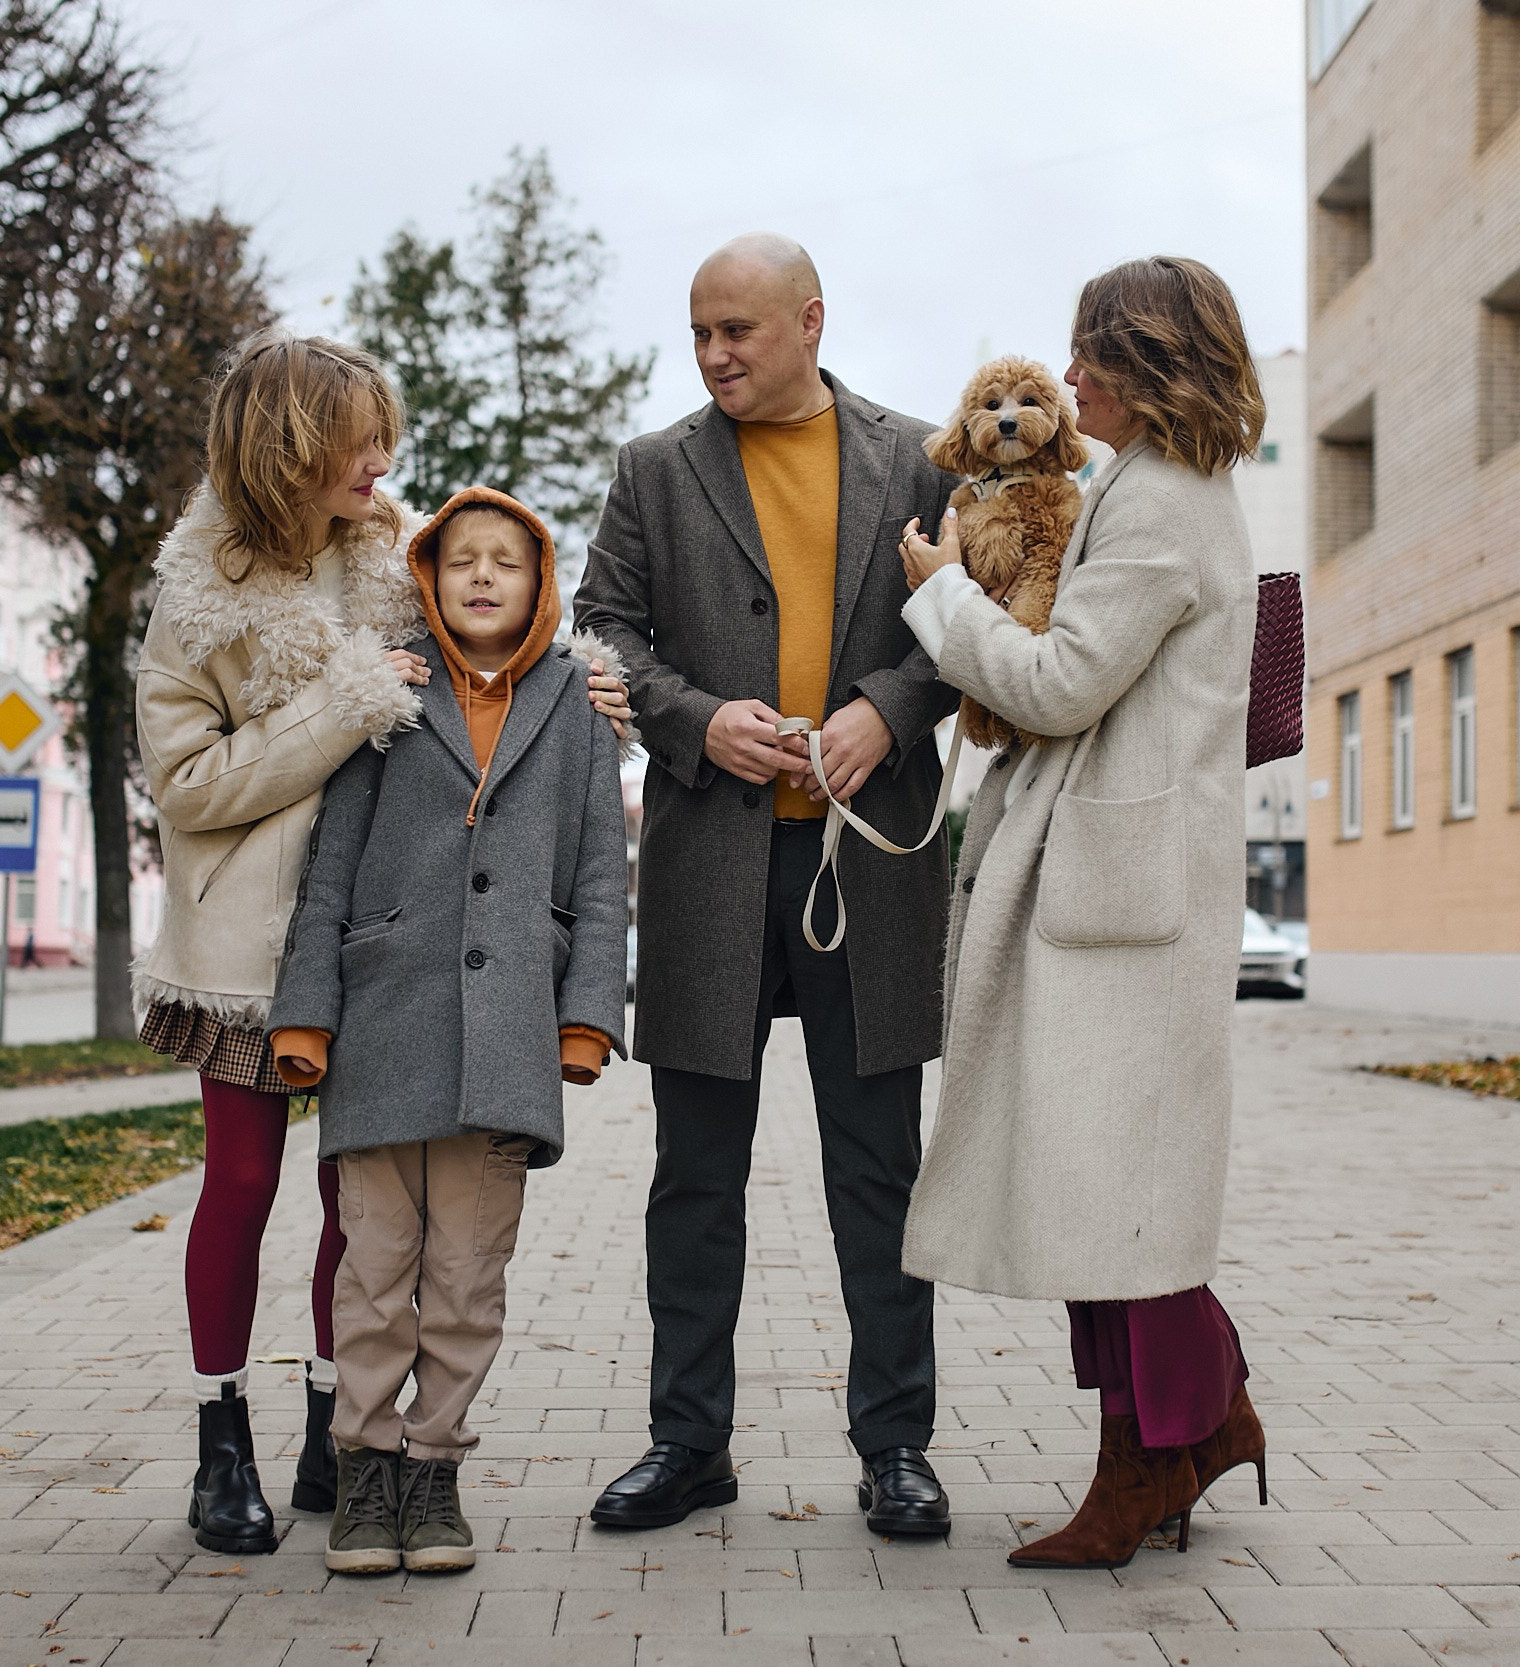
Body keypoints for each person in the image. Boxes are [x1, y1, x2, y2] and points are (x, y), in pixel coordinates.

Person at [135, 332, 635, 1555]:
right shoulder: (198, 597)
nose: (381, 459)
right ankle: (221, 1444)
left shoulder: (380, 555)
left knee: (352, 1201)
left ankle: (333, 1434)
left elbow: (476, 651)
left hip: (392, 940)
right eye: (359, 438)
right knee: (245, 1182)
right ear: (293, 445)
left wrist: (574, 678)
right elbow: (187, 785)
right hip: (254, 948)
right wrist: (337, 707)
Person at [573, 234, 961, 1536]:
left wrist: (888, 710)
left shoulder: (918, 456)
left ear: (809, 320)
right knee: (694, 1177)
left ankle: (895, 1446)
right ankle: (688, 1444)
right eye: (699, 333)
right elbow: (608, 626)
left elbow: (966, 623)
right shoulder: (652, 470)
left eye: (738, 329)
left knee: (878, 1173)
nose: (715, 354)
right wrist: (690, 718)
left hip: (870, 864)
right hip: (709, 859)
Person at [896, 256, 1268, 1570]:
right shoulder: (1164, 492)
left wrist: (940, 588)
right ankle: (1198, 1418)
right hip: (1128, 887)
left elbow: (1057, 686)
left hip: (1124, 899)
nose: (1070, 379)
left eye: (1091, 355)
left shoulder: (1162, 505)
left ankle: (1156, 1453)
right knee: (1113, 1184)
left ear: (1151, 366)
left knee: (1121, 1196)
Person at [266, 487, 632, 1577]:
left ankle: (433, 1468)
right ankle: (363, 1468)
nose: (481, 576)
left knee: (467, 1274)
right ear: (428, 574)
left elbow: (602, 877)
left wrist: (583, 1019)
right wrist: (306, 1016)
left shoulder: (576, 705)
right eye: (461, 557)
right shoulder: (391, 690)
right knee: (374, 1269)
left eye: (505, 562)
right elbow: (330, 868)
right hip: (383, 1030)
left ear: (539, 584)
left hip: (510, 1033)